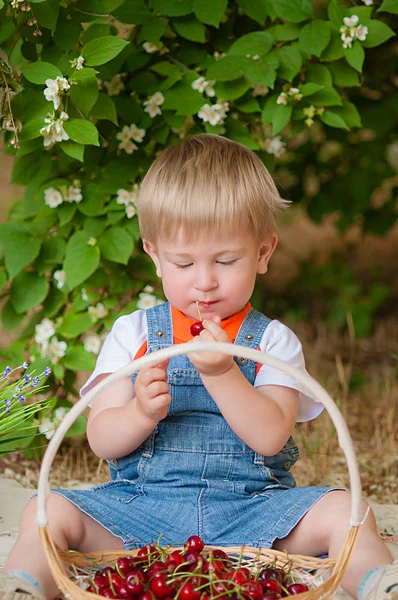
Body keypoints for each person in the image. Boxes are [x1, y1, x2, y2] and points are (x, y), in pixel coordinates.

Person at [1, 134, 396, 600]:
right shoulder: (134, 334)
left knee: (346, 509)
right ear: (153, 254)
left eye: (226, 260)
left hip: (253, 512)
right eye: (183, 262)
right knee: (46, 510)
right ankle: (24, 585)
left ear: (263, 253)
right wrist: (139, 414)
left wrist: (222, 374)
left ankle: (377, 583)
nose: (205, 282)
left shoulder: (271, 341)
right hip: (140, 510)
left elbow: (271, 436)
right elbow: (101, 439)